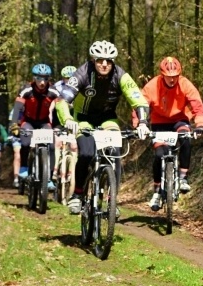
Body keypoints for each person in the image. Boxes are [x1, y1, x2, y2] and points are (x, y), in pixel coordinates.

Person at [54, 40, 150, 214]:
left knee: (115, 152)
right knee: (85, 153)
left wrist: (143, 122)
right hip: (83, 118)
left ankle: (112, 199)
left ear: (113, 61)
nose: (104, 64)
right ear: (93, 60)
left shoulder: (120, 75)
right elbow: (62, 100)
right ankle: (77, 195)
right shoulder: (82, 73)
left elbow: (138, 99)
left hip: (107, 118)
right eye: (100, 60)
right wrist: (68, 120)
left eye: (108, 60)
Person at [132, 56, 203, 211]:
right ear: (162, 75)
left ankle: (183, 177)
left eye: (175, 77)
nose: (172, 80)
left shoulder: (185, 84)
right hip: (159, 122)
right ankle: (157, 190)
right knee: (160, 154)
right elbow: (140, 105)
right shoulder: (152, 86)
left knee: (186, 139)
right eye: (169, 77)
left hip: (180, 119)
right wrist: (139, 124)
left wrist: (200, 124)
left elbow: (196, 104)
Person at [11, 63, 59, 190]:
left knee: (52, 146)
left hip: (44, 122)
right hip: (28, 121)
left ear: (49, 79)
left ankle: (48, 178)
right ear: (34, 78)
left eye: (45, 79)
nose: (42, 82)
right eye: (39, 78)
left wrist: (59, 126)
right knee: (25, 143)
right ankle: (24, 167)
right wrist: (14, 124)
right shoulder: (26, 90)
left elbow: (60, 109)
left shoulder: (53, 91)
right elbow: (17, 108)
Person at [51, 65, 78, 183]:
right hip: (59, 119)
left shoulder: (80, 85)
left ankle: (72, 171)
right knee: (57, 143)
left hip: (73, 118)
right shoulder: (57, 87)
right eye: (66, 78)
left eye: (71, 78)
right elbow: (52, 102)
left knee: (74, 145)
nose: (68, 80)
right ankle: (55, 169)